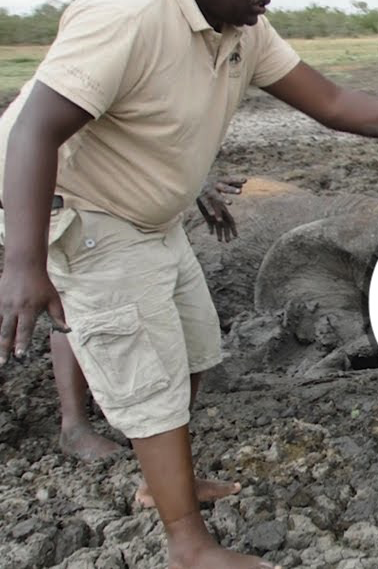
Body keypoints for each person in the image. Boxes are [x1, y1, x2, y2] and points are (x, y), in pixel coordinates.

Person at [0, 0, 378, 569]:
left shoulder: (242, 29)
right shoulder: (127, 17)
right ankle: (187, 552)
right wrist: (24, 259)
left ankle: (167, 484)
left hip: (150, 216)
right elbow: (33, 129)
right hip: (87, 214)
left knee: (198, 350)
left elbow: (333, 103)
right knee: (146, 378)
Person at [52, 174, 245, 469]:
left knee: (188, 329)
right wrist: (22, 261)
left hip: (145, 204)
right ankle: (76, 425)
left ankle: (157, 440)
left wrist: (193, 182)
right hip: (80, 206)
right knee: (80, 303)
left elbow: (159, 138)